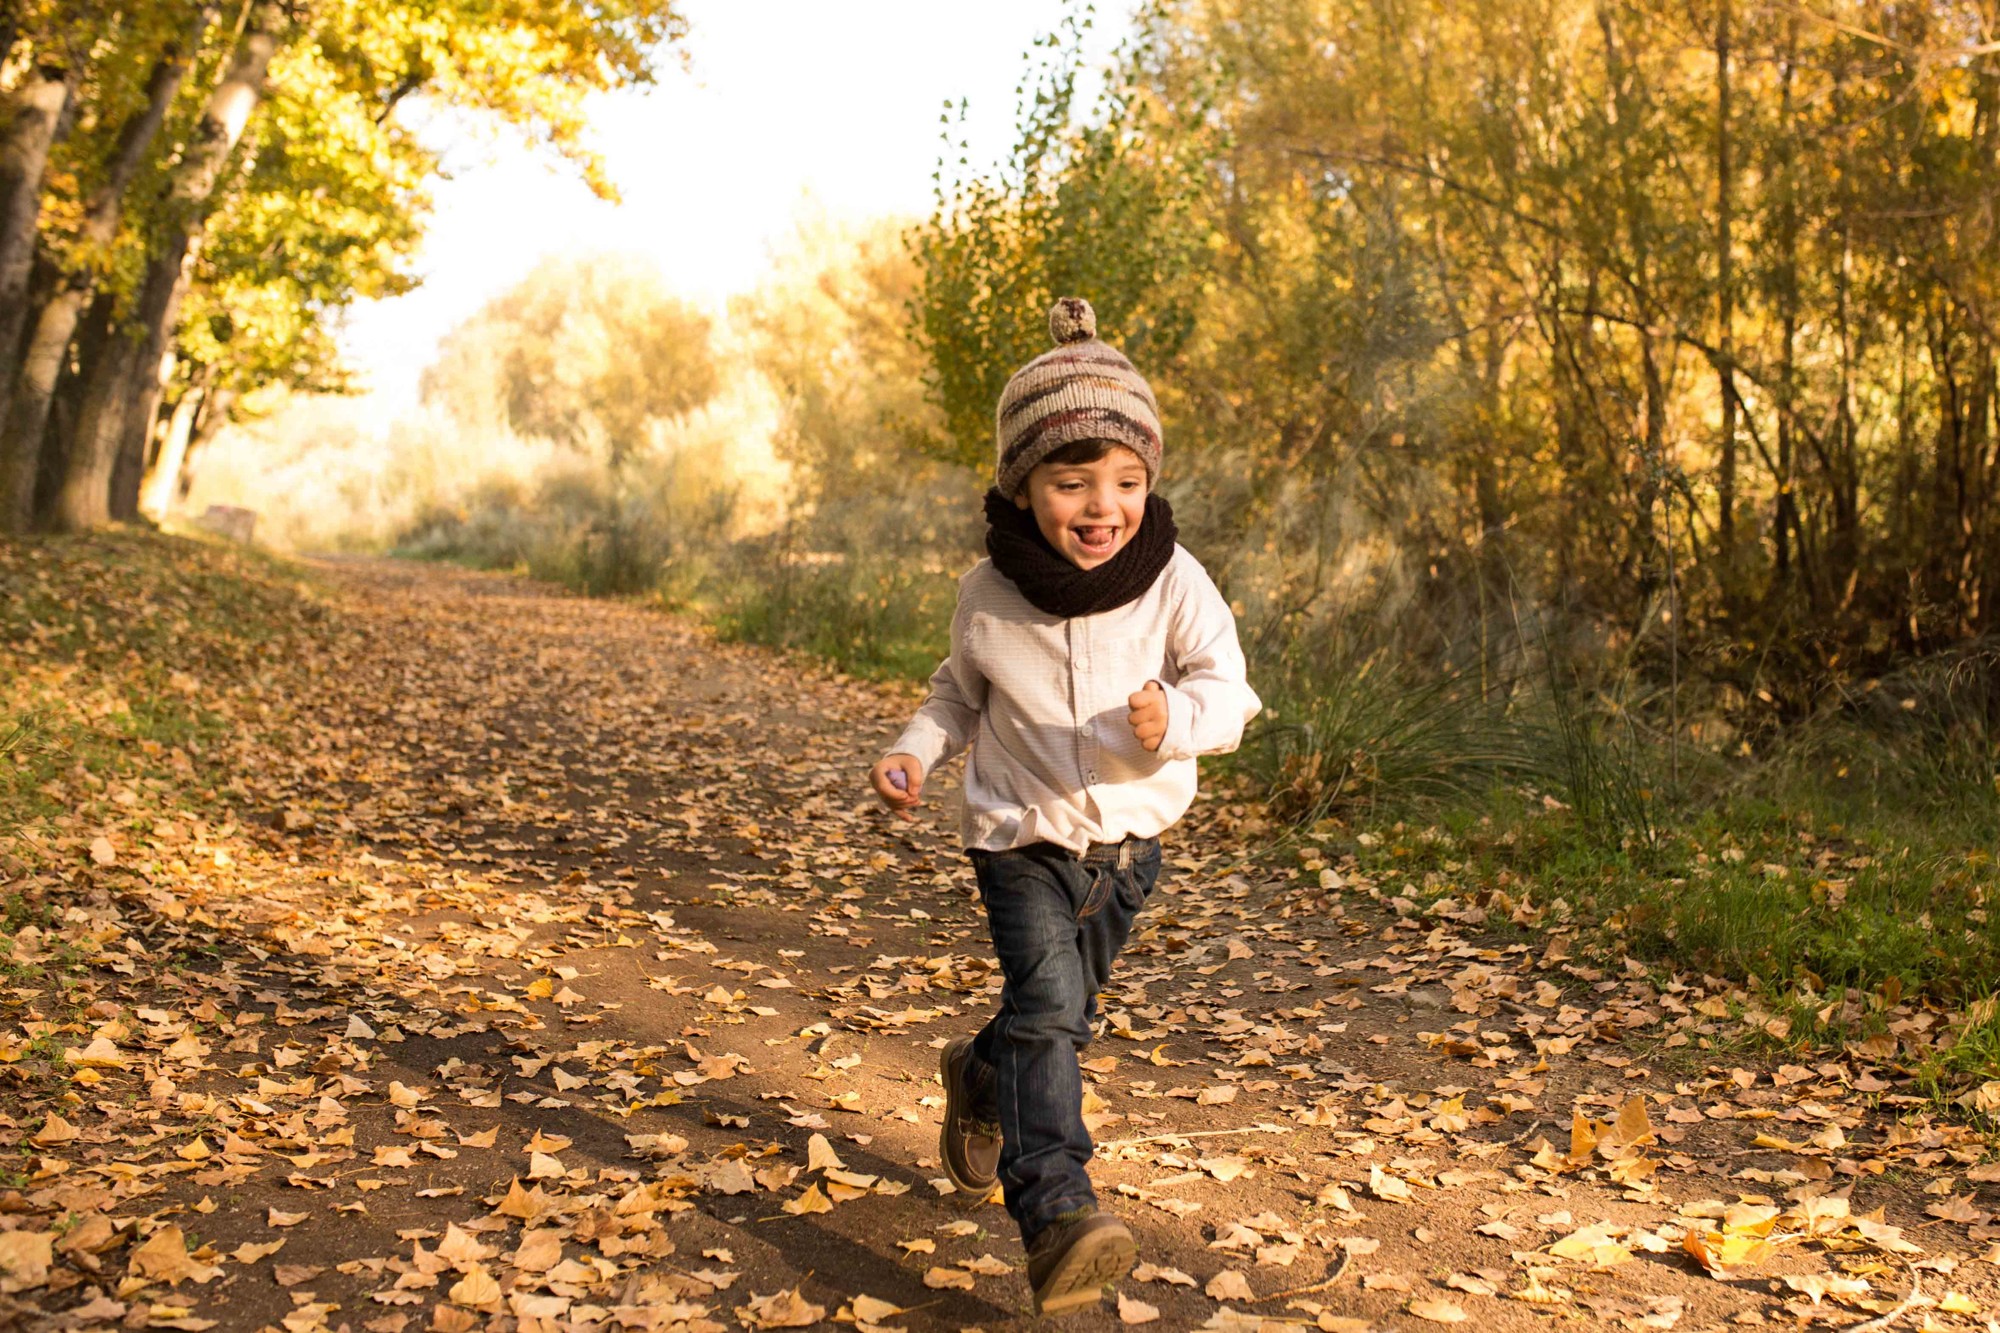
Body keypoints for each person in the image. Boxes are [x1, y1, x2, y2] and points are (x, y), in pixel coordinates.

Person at [868, 296, 1262, 1317]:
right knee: (1050, 1010)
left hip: (1129, 852)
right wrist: (917, 751)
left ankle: (980, 1071)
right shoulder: (988, 593)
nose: (1102, 504)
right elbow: (955, 693)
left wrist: (1173, 717)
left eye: (1126, 481)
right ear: (1022, 483)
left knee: (1054, 1019)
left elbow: (1230, 693)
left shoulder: (1171, 581)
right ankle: (1053, 1214)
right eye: (1071, 480)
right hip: (1018, 839)